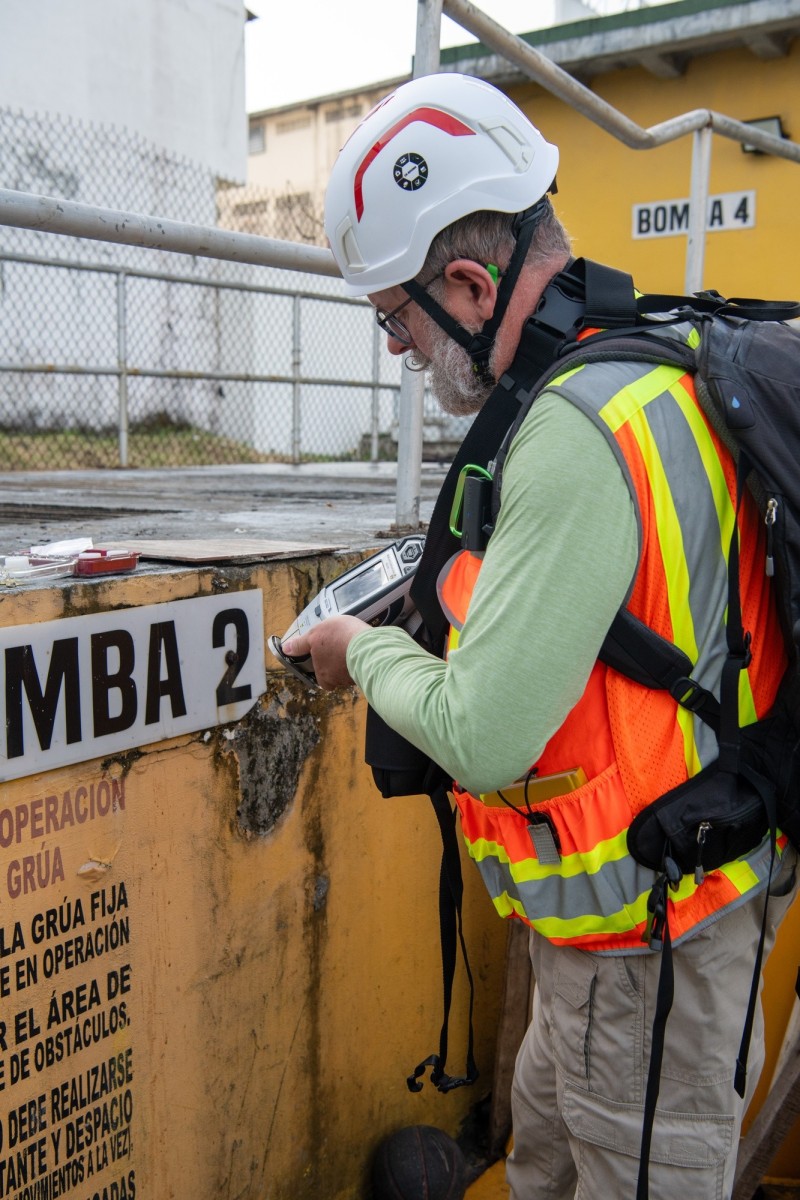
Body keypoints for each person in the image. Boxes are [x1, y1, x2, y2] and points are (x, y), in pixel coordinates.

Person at [281, 72, 797, 1199]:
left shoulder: (571, 430)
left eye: (396, 318)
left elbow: (486, 732)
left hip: (648, 953)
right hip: (633, 919)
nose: (396, 351)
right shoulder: (650, 366)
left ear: (468, 283)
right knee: (544, 1162)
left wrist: (360, 653)